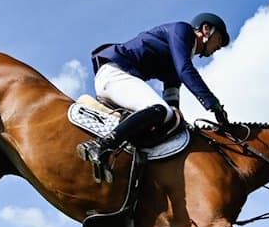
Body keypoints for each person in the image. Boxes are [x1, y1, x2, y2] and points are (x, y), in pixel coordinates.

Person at [76, 13, 231, 181]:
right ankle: (101, 146)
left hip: (117, 79)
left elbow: (172, 91)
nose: (219, 46)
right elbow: (185, 71)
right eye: (219, 39)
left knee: (169, 118)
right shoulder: (183, 30)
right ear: (206, 29)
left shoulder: (179, 52)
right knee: (161, 110)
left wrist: (179, 120)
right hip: (115, 74)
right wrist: (214, 105)